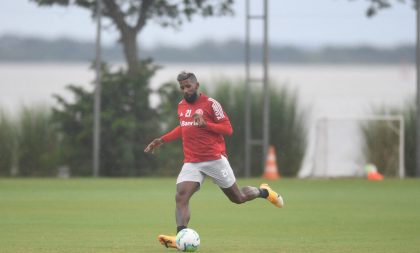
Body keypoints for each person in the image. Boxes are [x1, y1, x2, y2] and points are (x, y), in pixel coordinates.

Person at [144, 71, 284, 249]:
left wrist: (206, 124)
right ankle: (180, 237)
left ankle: (264, 192)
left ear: (196, 85)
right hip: (192, 161)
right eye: (182, 87)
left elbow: (228, 129)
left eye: (188, 86)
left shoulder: (211, 104)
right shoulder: (181, 105)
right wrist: (161, 140)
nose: (185, 90)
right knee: (181, 196)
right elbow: (184, 127)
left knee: (238, 198)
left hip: (214, 159)